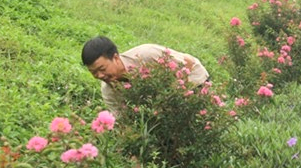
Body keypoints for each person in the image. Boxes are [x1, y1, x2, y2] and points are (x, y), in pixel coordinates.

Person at [81, 36, 209, 115]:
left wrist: (171, 97)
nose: (100, 75)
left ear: (115, 58)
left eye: (102, 69)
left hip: (195, 82)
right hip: (163, 100)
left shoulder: (146, 54)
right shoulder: (109, 90)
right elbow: (120, 118)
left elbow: (188, 62)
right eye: (93, 72)